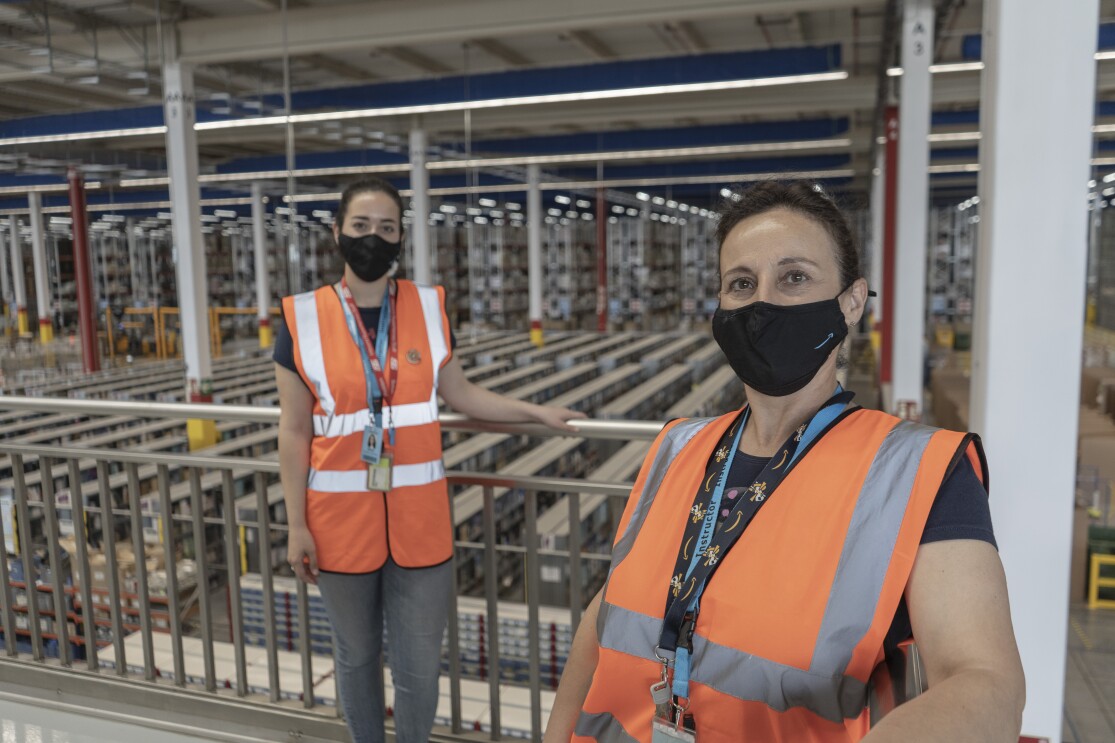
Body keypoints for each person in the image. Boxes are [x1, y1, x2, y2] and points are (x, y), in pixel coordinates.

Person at [544, 181, 1025, 742]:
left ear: (850, 301)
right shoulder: (677, 448)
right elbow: (603, 619)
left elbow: (985, 681)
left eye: (794, 278)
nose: (762, 302)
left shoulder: (918, 472)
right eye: (741, 284)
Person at [274, 176, 585, 743]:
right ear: (337, 232)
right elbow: (294, 431)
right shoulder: (301, 317)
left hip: (422, 526)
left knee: (419, 668)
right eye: (361, 226)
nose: (374, 238)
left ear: (401, 237)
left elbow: (462, 396)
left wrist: (535, 412)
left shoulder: (427, 305)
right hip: (337, 527)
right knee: (357, 659)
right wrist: (296, 525)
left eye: (387, 228)